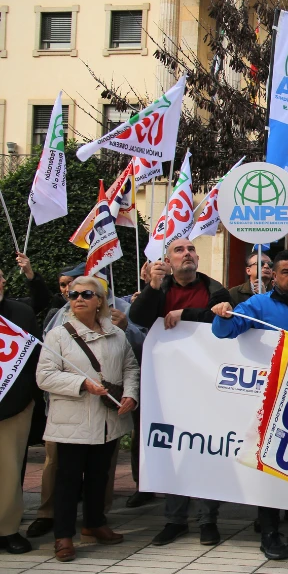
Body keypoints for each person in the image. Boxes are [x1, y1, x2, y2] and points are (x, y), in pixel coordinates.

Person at [211, 250, 288, 559]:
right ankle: (269, 530)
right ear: (272, 276)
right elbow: (225, 331)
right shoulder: (258, 304)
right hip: (272, 397)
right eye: (286, 272)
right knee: (270, 464)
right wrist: (222, 314)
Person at [129, 239, 229, 548]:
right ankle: (175, 520)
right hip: (168, 386)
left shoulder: (216, 290)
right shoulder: (160, 289)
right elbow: (139, 318)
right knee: (173, 451)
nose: (187, 253)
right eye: (179, 250)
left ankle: (207, 520)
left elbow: (222, 320)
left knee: (207, 450)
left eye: (191, 249)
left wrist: (185, 313)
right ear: (169, 261)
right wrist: (152, 287)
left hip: (206, 385)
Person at [36, 277, 138, 562]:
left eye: (86, 293)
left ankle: (94, 523)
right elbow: (44, 376)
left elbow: (130, 367)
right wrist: (83, 383)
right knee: (67, 479)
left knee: (99, 474)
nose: (78, 297)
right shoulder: (57, 335)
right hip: (73, 419)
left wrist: (130, 394)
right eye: (73, 294)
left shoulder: (117, 334)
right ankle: (64, 536)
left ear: (100, 301)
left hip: (108, 417)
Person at [0, 266, 42, 555]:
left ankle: (7, 530)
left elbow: (35, 360)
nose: (2, 280)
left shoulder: (20, 313)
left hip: (12, 407)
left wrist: (26, 399)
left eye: (1, 275)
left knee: (9, 471)